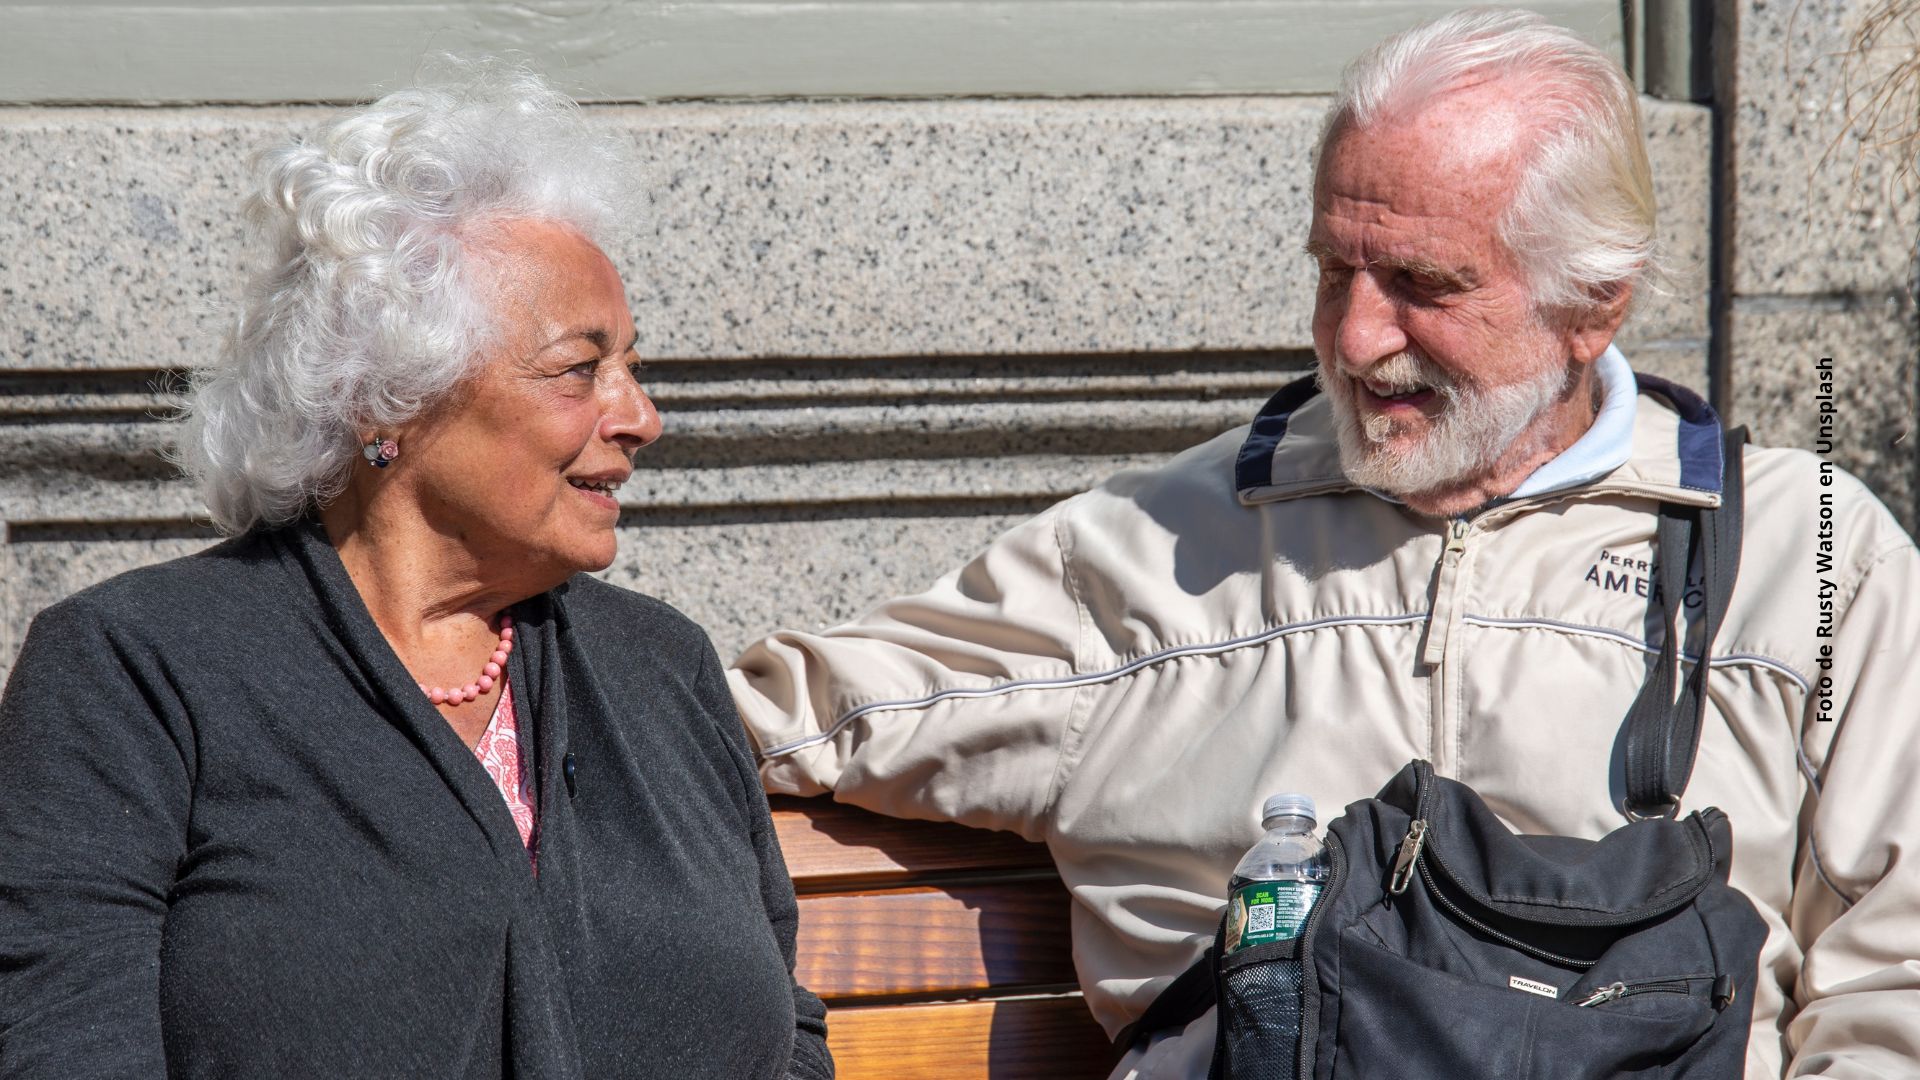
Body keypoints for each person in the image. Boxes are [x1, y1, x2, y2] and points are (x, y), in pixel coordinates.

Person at [728, 9, 1920, 1079]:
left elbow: (1897, 984)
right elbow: (784, 713)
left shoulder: (1810, 562)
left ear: (1592, 304)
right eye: (1334, 268)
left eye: (1419, 282)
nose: (1354, 338)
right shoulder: (1157, 555)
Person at [0, 61, 833, 1080]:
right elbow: (67, 1045)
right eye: (581, 369)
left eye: (633, 368)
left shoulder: (659, 668)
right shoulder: (137, 670)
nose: (641, 418)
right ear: (388, 398)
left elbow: (786, 1032)